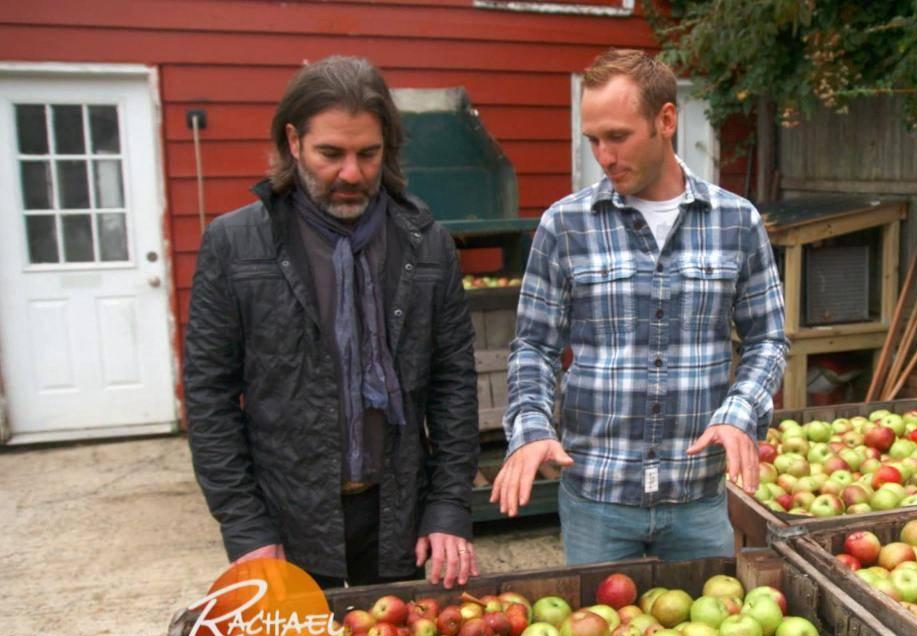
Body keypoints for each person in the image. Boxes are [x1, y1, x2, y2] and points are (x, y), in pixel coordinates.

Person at [184, 55, 480, 588]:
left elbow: (453, 383)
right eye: (331, 153)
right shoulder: (235, 245)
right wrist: (246, 525)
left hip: (401, 518)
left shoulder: (426, 244)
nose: (352, 173)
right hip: (286, 522)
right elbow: (209, 396)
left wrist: (449, 507)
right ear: (293, 141)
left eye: (368, 153)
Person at [493, 49, 789, 563]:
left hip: (697, 497)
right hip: (596, 500)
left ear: (666, 120)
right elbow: (534, 347)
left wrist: (741, 412)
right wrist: (531, 428)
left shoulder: (736, 222)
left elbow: (768, 339)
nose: (604, 156)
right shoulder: (564, 226)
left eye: (618, 136)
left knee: (712, 635)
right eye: (594, 140)